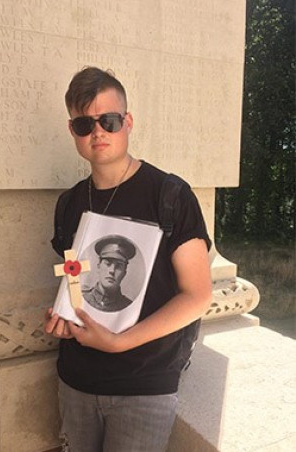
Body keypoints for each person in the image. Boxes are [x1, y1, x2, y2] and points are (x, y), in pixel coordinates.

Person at [44, 67, 212, 452]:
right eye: (85, 124)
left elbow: (198, 295)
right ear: (73, 131)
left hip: (144, 385)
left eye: (110, 120)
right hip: (75, 381)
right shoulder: (69, 204)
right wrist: (63, 318)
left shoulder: (169, 195)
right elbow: (75, 283)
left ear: (128, 122)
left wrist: (120, 343)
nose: (98, 132)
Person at [82, 235, 136, 312]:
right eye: (108, 263)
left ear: (124, 273)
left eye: (119, 266)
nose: (112, 271)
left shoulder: (129, 308)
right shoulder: (82, 298)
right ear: (99, 266)